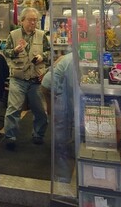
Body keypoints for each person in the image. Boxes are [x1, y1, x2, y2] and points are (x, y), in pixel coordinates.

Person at [3, 7, 50, 149]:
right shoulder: (13, 35)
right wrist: (14, 51)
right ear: (22, 20)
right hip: (18, 78)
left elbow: (50, 52)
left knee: (40, 110)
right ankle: (10, 137)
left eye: (35, 20)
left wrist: (43, 56)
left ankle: (38, 135)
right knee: (13, 109)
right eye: (30, 20)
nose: (33, 23)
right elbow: (5, 52)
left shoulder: (42, 35)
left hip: (36, 79)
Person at [41, 52, 75, 183]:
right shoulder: (72, 60)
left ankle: (61, 144)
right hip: (52, 86)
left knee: (57, 114)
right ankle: (60, 149)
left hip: (50, 84)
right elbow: (71, 88)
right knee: (61, 116)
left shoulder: (70, 56)